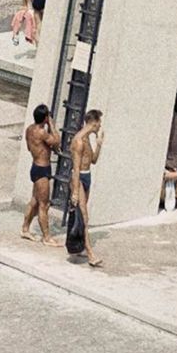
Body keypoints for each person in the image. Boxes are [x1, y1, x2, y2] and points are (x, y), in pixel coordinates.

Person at [68, 109, 106, 267]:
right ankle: (90, 253)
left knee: (81, 215)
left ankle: (77, 245)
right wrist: (75, 192)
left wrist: (99, 145)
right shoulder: (78, 141)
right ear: (94, 122)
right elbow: (76, 168)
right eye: (99, 123)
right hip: (78, 179)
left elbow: (93, 161)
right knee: (84, 216)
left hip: (87, 176)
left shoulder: (88, 139)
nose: (100, 126)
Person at [22, 104, 59, 244]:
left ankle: (25, 229)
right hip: (42, 169)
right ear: (45, 118)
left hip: (35, 166)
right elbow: (57, 141)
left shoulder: (29, 129)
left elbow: (29, 147)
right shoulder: (42, 132)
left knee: (34, 201)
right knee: (44, 204)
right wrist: (52, 125)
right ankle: (46, 237)